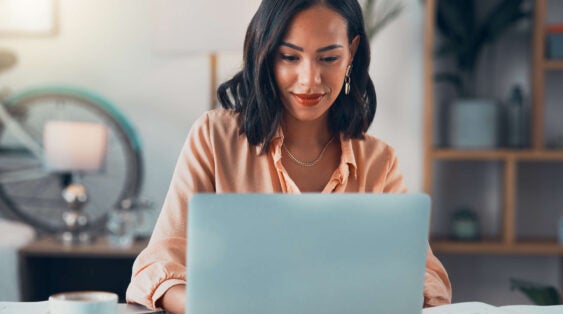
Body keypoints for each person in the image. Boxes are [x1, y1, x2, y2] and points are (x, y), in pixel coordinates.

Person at [126, 0, 451, 312]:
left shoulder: (378, 160)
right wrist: (210, 308)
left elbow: (428, 278)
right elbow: (156, 267)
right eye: (289, 57)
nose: (310, 80)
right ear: (266, 54)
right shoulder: (214, 137)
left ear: (351, 53)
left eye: (328, 58)